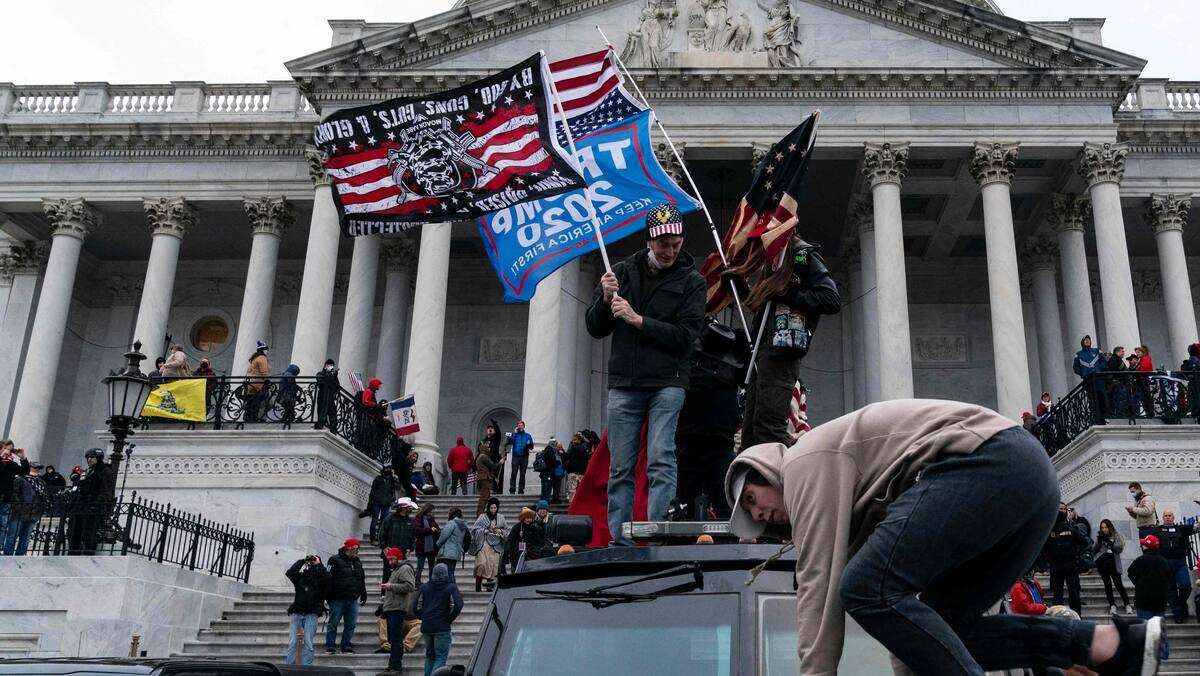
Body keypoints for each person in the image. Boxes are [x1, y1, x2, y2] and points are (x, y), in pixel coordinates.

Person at [724, 398, 1167, 675]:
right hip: (1029, 483)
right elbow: (907, 624)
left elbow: (821, 590)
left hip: (991, 461)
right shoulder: (854, 504)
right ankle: (1108, 644)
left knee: (859, 586)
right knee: (945, 628)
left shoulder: (804, 461)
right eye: (753, 517)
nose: (759, 513)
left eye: (752, 499)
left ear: (764, 470)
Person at [585, 203, 706, 546]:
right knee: (620, 468)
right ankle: (619, 542)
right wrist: (605, 300)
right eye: (664, 243)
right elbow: (595, 327)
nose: (670, 250)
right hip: (626, 383)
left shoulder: (692, 281)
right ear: (649, 240)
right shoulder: (621, 272)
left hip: (668, 382)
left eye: (676, 243)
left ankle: (656, 537)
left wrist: (638, 321)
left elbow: (686, 338)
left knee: (661, 458)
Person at [728, 234, 840, 449]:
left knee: (768, 426)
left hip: (782, 350)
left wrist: (786, 293)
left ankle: (782, 480)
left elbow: (830, 299)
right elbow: (764, 306)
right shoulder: (772, 260)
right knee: (750, 431)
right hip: (763, 349)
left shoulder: (802, 255)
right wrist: (743, 289)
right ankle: (756, 479)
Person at [413, 562, 463, 676]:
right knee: (441, 656)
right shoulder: (451, 587)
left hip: (427, 627)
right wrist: (449, 619)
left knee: (429, 656)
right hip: (442, 627)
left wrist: (423, 617)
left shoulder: (425, 587)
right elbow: (458, 605)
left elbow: (415, 606)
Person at [284, 554, 329, 666]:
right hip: (297, 611)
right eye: (310, 561)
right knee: (293, 642)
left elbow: (328, 577)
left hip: (312, 613)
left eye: (313, 560)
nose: (311, 562)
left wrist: (319, 564)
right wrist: (302, 561)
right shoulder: (301, 577)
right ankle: (290, 667)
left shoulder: (321, 579)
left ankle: (306, 668)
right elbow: (290, 573)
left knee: (308, 643)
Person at [324, 537, 367, 655]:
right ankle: (330, 646)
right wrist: (328, 597)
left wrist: (363, 593)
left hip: (353, 598)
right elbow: (327, 579)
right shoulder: (334, 560)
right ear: (350, 548)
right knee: (333, 623)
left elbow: (361, 579)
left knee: (351, 624)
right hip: (338, 599)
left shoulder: (357, 561)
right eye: (356, 548)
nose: (358, 551)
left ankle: (346, 645)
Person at [1044, 504, 1088, 616]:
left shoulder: (1049, 533)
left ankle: (1058, 619)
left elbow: (1043, 550)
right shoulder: (1072, 531)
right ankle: (1077, 616)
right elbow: (1085, 542)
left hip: (1055, 567)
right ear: (1065, 519)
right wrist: (1074, 549)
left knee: (1057, 595)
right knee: (1074, 593)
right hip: (1071, 566)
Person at [380, 546, 417, 674]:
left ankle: (396, 667)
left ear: (399, 557)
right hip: (392, 607)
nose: (390, 561)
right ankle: (391, 667)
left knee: (396, 639)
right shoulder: (396, 569)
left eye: (392, 559)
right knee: (392, 639)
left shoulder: (405, 568)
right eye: (388, 559)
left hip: (398, 608)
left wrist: (391, 586)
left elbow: (410, 586)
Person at [1155, 510, 1194, 623]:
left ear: (1173, 517)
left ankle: (1181, 604)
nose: (1167, 517)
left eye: (1170, 515)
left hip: (1180, 562)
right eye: (1165, 516)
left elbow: (1197, 527)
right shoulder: (1157, 530)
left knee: (1186, 586)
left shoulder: (1181, 528)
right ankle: (1178, 614)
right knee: (1170, 590)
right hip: (1165, 563)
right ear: (1163, 517)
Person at [68, 448, 109, 555]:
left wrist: (96, 505)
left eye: (92, 457)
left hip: (92, 507)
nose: (89, 459)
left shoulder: (104, 471)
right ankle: (72, 555)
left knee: (88, 533)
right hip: (79, 506)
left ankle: (87, 556)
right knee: (73, 533)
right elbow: (80, 486)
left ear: (98, 458)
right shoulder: (86, 472)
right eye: (88, 457)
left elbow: (105, 490)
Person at [5, 462, 49, 556]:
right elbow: (14, 494)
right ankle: (7, 558)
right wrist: (18, 507)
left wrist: (41, 510)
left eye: (38, 468)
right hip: (19, 514)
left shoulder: (41, 483)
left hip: (34, 514)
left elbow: (45, 498)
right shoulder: (19, 479)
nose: (37, 469)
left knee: (25, 540)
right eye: (34, 467)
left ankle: (20, 559)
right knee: (12, 538)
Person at [1094, 518, 1134, 616]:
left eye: (1106, 527)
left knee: (1118, 583)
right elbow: (1094, 550)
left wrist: (1110, 543)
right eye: (1102, 527)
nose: (1104, 529)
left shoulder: (1116, 535)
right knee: (1107, 584)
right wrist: (1099, 541)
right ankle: (1112, 605)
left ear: (1110, 527)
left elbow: (1119, 548)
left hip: (1113, 562)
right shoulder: (1100, 536)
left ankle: (1127, 604)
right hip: (1102, 563)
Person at [1128, 534, 1170, 622]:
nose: (1142, 546)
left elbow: (1131, 573)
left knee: (1145, 630)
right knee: (1158, 630)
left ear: (1147, 547)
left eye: (1143, 544)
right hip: (1160, 601)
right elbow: (1168, 577)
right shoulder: (1164, 561)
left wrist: (1139, 584)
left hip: (1144, 601)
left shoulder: (1140, 560)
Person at [471, 497, 507, 592]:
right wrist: (483, 530)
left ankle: (489, 587)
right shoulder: (482, 517)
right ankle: (478, 586)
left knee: (493, 566)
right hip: (484, 543)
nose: (493, 510)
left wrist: (500, 531)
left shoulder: (501, 518)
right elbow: (474, 529)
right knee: (481, 564)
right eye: (491, 508)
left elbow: (506, 531)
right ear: (488, 508)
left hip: (496, 545)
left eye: (495, 508)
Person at [378, 499, 416, 585]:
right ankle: (384, 594)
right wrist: (384, 547)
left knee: (401, 573)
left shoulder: (410, 521)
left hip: (402, 554)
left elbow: (413, 538)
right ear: (403, 508)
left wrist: (410, 549)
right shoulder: (390, 518)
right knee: (387, 573)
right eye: (409, 508)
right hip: (390, 552)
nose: (410, 510)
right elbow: (381, 533)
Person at [0, 444, 31, 546]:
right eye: (5, 448)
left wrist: (23, 458)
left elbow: (25, 472)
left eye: (9, 449)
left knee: (2, 525)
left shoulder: (11, 464)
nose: (7, 451)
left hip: (5, 499)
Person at [503, 507, 545, 573]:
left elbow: (538, 541)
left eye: (530, 518)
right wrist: (511, 554)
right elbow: (510, 541)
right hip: (518, 555)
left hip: (531, 554)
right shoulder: (517, 527)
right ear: (523, 518)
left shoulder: (534, 528)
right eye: (527, 518)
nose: (529, 520)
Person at [368, 466, 397, 544]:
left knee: (383, 522)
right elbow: (373, 491)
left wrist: (393, 477)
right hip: (377, 502)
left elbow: (397, 487)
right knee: (375, 520)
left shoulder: (392, 480)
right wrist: (370, 502)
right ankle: (373, 538)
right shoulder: (378, 478)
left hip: (386, 503)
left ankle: (380, 538)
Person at [436, 507, 468, 578]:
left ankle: (450, 588)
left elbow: (443, 536)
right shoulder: (462, 525)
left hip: (447, 552)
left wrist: (437, 545)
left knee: (447, 574)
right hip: (455, 552)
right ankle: (453, 588)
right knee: (451, 573)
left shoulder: (452, 523)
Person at [243, 340, 271, 422]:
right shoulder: (262, 358)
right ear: (263, 350)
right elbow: (264, 372)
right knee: (263, 402)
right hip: (258, 385)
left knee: (251, 401)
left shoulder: (254, 359)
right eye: (266, 349)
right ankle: (257, 417)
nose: (267, 351)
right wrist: (267, 380)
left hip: (251, 384)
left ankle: (248, 417)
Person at [411, 502, 440, 583]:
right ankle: (417, 581)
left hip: (431, 547)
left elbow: (437, 529)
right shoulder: (418, 519)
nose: (431, 513)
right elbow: (417, 531)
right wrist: (430, 530)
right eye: (430, 511)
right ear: (426, 510)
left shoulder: (432, 519)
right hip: (421, 546)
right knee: (420, 566)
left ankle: (432, 581)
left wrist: (436, 531)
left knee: (432, 567)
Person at [504, 421, 534, 494]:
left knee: (522, 474)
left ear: (524, 426)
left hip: (524, 457)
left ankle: (521, 490)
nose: (520, 427)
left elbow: (532, 447)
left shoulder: (528, 435)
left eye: (521, 425)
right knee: (514, 473)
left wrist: (528, 445)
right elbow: (510, 442)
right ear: (517, 427)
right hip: (516, 457)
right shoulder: (514, 435)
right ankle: (512, 489)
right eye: (519, 425)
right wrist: (513, 434)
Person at [474, 439, 502, 516]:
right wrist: (500, 462)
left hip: (483, 479)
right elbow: (493, 466)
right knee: (484, 498)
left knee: (485, 497)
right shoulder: (483, 456)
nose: (489, 449)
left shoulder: (480, 456)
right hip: (485, 479)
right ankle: (480, 514)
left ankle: (482, 513)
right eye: (488, 447)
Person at [563, 432, 591, 503]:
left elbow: (571, 460)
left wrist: (568, 466)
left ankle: (572, 508)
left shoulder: (574, 448)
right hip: (582, 473)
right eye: (573, 440)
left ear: (579, 440)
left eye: (575, 440)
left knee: (572, 492)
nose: (573, 441)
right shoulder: (585, 449)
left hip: (574, 473)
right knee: (581, 492)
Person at [316, 358, 340, 430]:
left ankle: (333, 429)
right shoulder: (321, 373)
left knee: (332, 415)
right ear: (325, 365)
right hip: (322, 397)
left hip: (330, 398)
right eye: (329, 365)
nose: (330, 366)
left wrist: (335, 376)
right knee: (321, 413)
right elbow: (321, 381)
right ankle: (320, 426)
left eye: (332, 365)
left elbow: (337, 387)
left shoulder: (333, 375)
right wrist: (328, 374)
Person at [536, 438, 561, 504]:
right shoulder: (550, 450)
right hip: (548, 473)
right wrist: (558, 462)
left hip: (545, 473)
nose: (556, 446)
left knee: (545, 490)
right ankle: (544, 504)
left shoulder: (547, 449)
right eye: (555, 444)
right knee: (547, 490)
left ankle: (543, 503)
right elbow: (552, 461)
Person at [484, 419, 504, 495]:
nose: (490, 429)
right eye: (489, 428)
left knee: (495, 477)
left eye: (492, 428)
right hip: (487, 460)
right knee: (487, 477)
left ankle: (496, 490)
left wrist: (495, 424)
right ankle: (488, 490)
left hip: (495, 460)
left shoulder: (496, 438)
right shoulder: (484, 440)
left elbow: (498, 432)